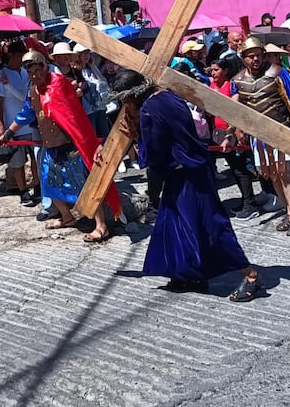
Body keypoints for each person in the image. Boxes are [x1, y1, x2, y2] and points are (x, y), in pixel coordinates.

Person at [102, 69, 265, 302]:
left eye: (124, 100)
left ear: (131, 97)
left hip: (187, 174)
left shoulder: (149, 110)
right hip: (191, 170)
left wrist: (138, 140)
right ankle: (192, 273)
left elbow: (156, 153)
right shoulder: (167, 95)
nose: (124, 106)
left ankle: (251, 277)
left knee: (210, 225)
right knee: (175, 225)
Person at [0, 50, 121, 242]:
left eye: (37, 71)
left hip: (70, 146)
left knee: (84, 186)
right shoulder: (34, 91)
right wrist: (8, 133)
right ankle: (67, 217)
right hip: (51, 146)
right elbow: (26, 113)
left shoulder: (58, 85)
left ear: (44, 67)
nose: (35, 76)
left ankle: (101, 226)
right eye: (30, 73)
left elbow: (73, 117)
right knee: (49, 184)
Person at [228, 38, 290, 238]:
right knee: (273, 175)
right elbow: (234, 109)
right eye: (251, 56)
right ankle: (286, 211)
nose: (256, 59)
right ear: (244, 58)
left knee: (285, 174)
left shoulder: (277, 72)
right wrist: (234, 130)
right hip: (259, 137)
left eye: (258, 55)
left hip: (281, 132)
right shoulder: (238, 80)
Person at [209, 55, 281, 219]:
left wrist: (235, 132)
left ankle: (251, 205)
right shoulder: (213, 85)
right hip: (219, 132)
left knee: (243, 170)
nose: (213, 73)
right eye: (211, 70)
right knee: (236, 170)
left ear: (226, 70)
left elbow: (235, 112)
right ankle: (247, 200)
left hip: (233, 132)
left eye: (216, 70)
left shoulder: (231, 86)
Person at [0, 40, 39, 206]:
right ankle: (22, 190)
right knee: (18, 161)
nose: (21, 59)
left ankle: (38, 186)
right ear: (10, 56)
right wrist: (0, 125)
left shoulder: (27, 73)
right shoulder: (0, 76)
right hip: (13, 124)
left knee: (35, 158)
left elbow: (27, 96)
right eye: (19, 56)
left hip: (31, 122)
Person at [74, 44, 112, 138]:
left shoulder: (91, 69)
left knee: (104, 136)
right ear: (78, 55)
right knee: (93, 137)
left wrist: (93, 66)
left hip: (100, 107)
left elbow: (103, 81)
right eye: (84, 53)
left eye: (88, 53)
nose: (87, 56)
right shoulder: (75, 71)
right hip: (87, 110)